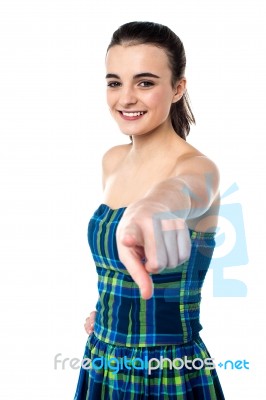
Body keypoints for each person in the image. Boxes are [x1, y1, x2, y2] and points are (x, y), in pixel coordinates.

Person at [74, 21, 225, 399]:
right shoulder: (111, 161)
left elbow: (183, 190)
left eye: (144, 82)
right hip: (103, 360)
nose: (125, 98)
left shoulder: (198, 169)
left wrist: (156, 204)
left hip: (166, 373)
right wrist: (109, 316)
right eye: (114, 82)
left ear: (177, 88)